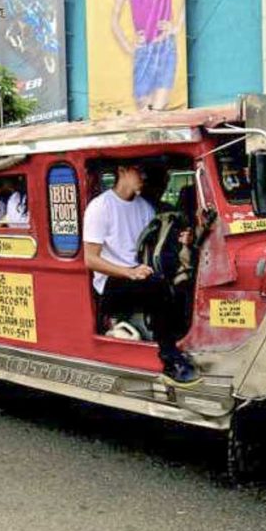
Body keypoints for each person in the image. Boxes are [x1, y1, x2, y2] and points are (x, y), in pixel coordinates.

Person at [83, 162, 199, 385]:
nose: (144, 176)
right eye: (139, 170)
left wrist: (184, 241)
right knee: (156, 287)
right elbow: (91, 259)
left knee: (181, 282)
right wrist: (129, 272)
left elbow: (155, 244)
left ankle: (182, 342)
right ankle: (169, 358)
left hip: (141, 272)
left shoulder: (144, 206)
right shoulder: (100, 207)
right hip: (111, 282)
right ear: (122, 170)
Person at [111, 0, 185, 111]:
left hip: (164, 47)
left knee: (157, 113)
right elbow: (114, 17)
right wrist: (130, 47)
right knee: (144, 113)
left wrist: (176, 26)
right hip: (143, 53)